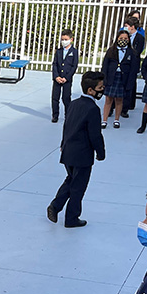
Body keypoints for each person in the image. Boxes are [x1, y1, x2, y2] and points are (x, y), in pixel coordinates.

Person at [47, 71, 105, 229]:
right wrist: (100, 152)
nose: (103, 89)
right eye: (100, 87)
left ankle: (55, 206)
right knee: (79, 186)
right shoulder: (93, 109)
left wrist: (63, 143)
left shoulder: (74, 104)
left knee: (71, 180)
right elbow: (95, 134)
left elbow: (67, 126)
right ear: (90, 91)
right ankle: (72, 218)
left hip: (68, 151)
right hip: (82, 154)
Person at [101, 30, 139, 128]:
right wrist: (103, 79)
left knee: (119, 100)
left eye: (125, 39)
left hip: (123, 78)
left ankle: (116, 120)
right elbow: (105, 65)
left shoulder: (132, 53)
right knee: (108, 99)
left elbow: (133, 70)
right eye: (121, 38)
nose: (123, 40)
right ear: (117, 39)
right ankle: (104, 120)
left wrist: (130, 83)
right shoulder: (111, 50)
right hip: (111, 77)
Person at [51, 29, 79, 123]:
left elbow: (74, 66)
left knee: (66, 98)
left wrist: (66, 78)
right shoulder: (58, 51)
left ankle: (68, 115)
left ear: (71, 39)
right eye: (62, 39)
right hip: (58, 78)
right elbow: (55, 64)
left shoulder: (74, 52)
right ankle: (55, 115)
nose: (64, 41)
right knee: (55, 98)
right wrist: (56, 76)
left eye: (66, 39)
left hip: (67, 79)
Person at [121, 16, 146, 118]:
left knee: (130, 85)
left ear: (132, 27)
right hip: (123, 64)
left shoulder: (140, 38)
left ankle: (126, 107)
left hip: (133, 64)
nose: (124, 28)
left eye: (126, 26)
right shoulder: (123, 36)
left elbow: (137, 51)